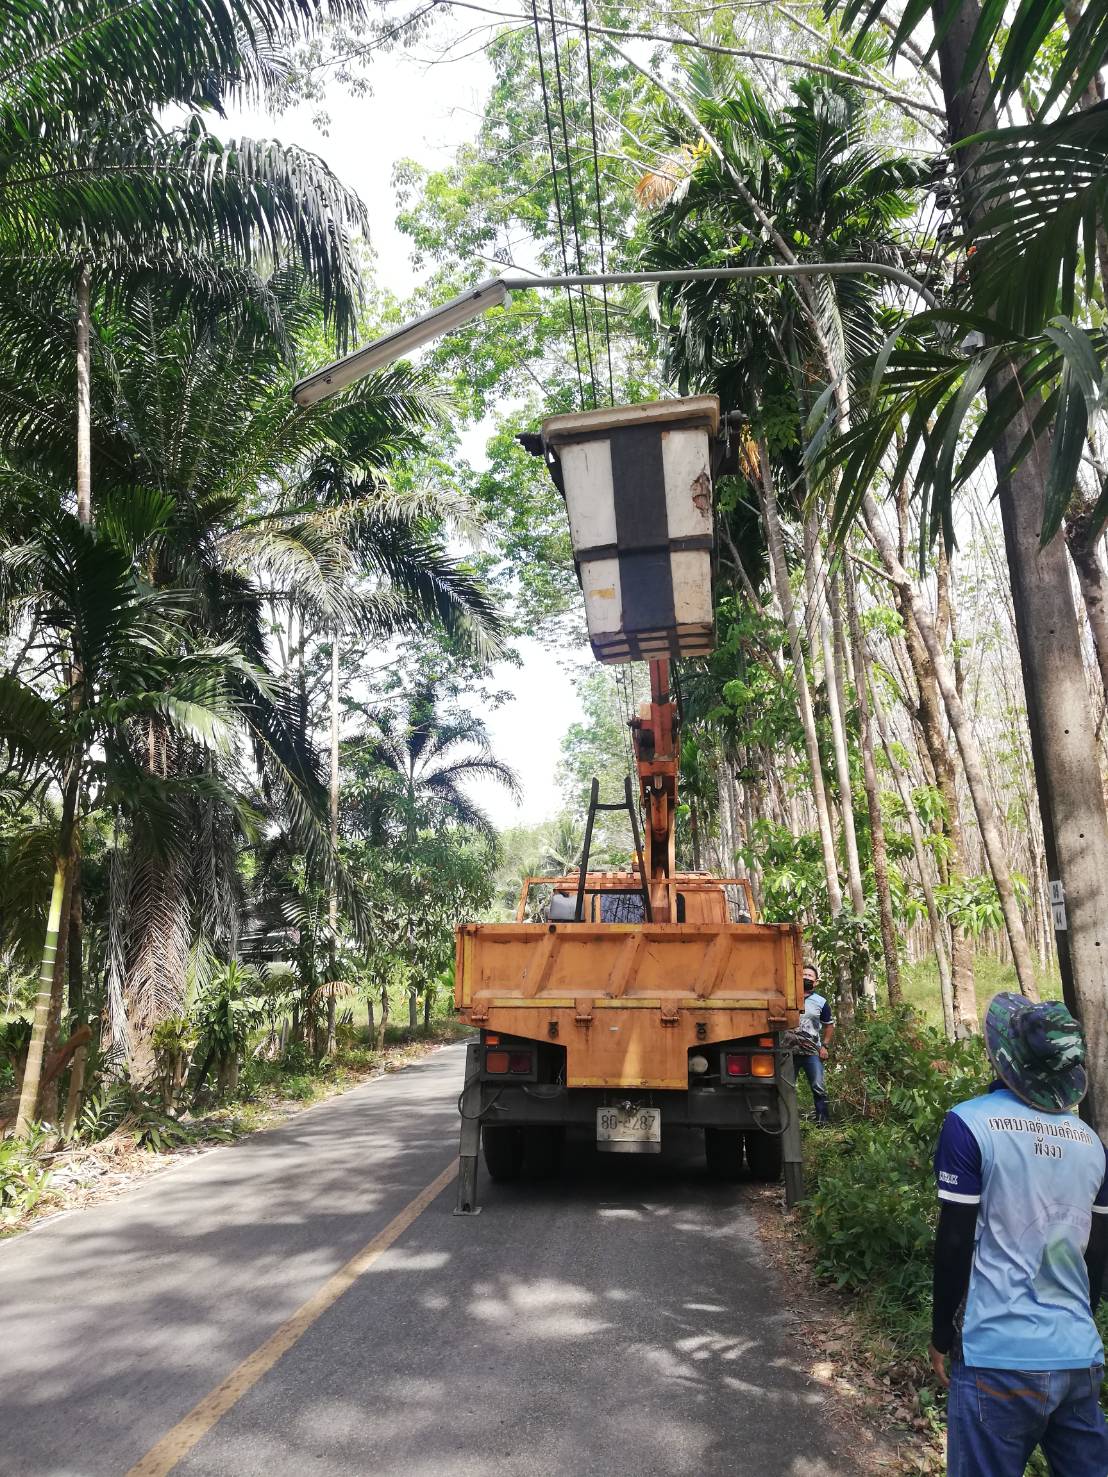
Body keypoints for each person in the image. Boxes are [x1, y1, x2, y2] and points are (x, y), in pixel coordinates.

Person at [930, 992, 1108, 1477]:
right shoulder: (1092, 1145)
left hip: (997, 1359)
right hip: (1077, 1357)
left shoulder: (969, 1123)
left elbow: (954, 1242)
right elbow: (1097, 1253)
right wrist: (1075, 1320)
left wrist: (941, 1333)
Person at [793, 962, 833, 1125]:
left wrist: (825, 1046)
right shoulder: (790, 998)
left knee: (818, 1086)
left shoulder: (821, 1002)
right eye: (803, 975)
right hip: (789, 1052)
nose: (806, 978)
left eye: (810, 976)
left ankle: (823, 1121)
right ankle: (788, 1121)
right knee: (787, 1088)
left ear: (816, 981)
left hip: (812, 1052)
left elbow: (829, 1025)